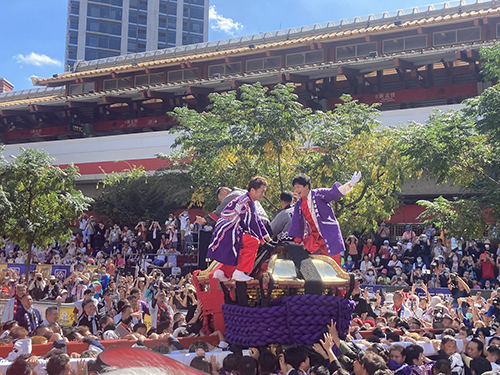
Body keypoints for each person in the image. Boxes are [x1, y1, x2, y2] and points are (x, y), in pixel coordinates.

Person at [288, 172, 361, 264]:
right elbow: (297, 223)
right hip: (314, 238)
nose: (296, 190)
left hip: (328, 235)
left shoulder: (319, 194)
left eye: (298, 187)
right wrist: (297, 241)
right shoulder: (299, 204)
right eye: (295, 188)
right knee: (306, 259)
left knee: (333, 266)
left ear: (306, 186)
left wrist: (350, 184)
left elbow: (333, 193)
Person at [208, 176, 272, 282]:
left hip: (227, 231)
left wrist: (267, 238)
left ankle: (223, 271)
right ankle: (240, 272)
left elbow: (257, 220)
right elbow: (251, 223)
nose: (263, 195)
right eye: (262, 191)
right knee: (253, 242)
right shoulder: (245, 202)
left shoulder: (247, 200)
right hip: (229, 231)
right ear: (252, 190)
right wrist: (262, 241)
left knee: (241, 249)